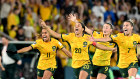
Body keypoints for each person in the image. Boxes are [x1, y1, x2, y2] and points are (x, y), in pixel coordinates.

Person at [40, 19, 116, 79]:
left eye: (78, 26)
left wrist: (111, 49)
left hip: (88, 63)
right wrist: (46, 27)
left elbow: (98, 45)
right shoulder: (70, 36)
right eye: (75, 26)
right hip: (79, 64)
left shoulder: (87, 38)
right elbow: (56, 34)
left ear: (82, 29)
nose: (76, 27)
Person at [7, 28, 72, 79]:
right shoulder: (38, 42)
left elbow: (65, 51)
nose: (44, 34)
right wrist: (16, 52)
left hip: (51, 65)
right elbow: (28, 48)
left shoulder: (55, 42)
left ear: (49, 34)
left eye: (45, 33)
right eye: (43, 33)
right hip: (41, 65)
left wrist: (74, 57)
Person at [68, 14, 116, 79]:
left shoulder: (114, 39)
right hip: (94, 63)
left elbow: (119, 47)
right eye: (104, 27)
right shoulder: (98, 34)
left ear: (111, 30)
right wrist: (76, 21)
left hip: (105, 65)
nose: (104, 29)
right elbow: (86, 29)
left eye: (107, 28)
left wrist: (116, 49)